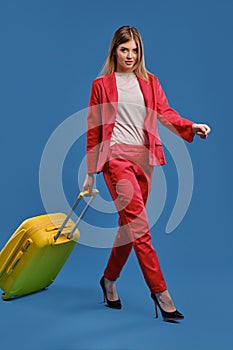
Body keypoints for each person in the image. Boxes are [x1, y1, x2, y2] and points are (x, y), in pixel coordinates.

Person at [82, 25, 211, 321]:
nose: (129, 55)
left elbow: (165, 113)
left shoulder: (151, 82)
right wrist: (91, 173)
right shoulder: (101, 84)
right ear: (114, 50)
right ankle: (161, 293)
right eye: (124, 49)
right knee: (140, 229)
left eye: (135, 50)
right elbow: (93, 129)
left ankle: (108, 279)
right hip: (115, 160)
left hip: (145, 160)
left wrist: (189, 126)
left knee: (130, 227)